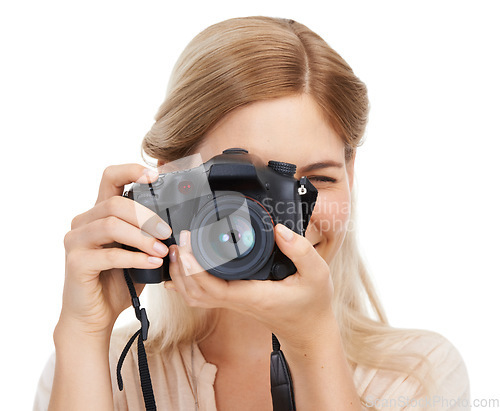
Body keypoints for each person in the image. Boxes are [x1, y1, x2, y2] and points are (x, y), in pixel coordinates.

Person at [34, 16, 469, 410]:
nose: (281, 222)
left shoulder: (420, 375)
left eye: (316, 182)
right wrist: (83, 332)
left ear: (351, 174)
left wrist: (312, 343)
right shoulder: (99, 368)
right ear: (171, 178)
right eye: (246, 186)